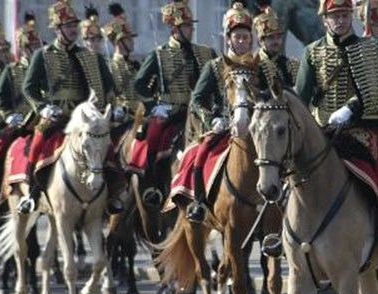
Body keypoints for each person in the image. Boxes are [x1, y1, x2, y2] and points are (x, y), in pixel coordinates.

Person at [294, 0, 378, 259]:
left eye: (344, 15)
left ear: (351, 16)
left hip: (360, 128)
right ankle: (284, 229)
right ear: (324, 20)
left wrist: (354, 108)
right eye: (334, 16)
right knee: (293, 171)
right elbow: (301, 98)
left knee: (377, 166)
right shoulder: (312, 52)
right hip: (323, 131)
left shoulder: (376, 48)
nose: (340, 20)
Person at [18, 0, 120, 215]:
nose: (74, 29)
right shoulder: (42, 55)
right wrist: (42, 108)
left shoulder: (91, 56)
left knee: (107, 148)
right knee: (37, 143)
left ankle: (113, 194)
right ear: (57, 30)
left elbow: (110, 88)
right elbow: (29, 88)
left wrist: (113, 107)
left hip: (85, 118)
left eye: (74, 25)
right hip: (56, 115)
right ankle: (32, 194)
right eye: (68, 26)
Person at [185, 2, 278, 223]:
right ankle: (199, 201)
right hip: (223, 126)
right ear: (228, 39)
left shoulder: (261, 66)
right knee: (200, 154)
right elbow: (197, 99)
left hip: (256, 127)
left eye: (246, 37)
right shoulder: (215, 66)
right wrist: (212, 119)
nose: (242, 41)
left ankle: (279, 200)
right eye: (237, 37)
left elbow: (272, 95)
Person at [130, 0, 216, 207]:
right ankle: (153, 186)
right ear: (174, 29)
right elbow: (140, 84)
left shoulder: (206, 53)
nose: (191, 29)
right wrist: (153, 106)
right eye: (187, 26)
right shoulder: (158, 54)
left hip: (198, 111)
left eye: (191, 25)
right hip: (170, 111)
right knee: (154, 137)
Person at [0, 13, 42, 207]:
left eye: (38, 45)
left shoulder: (45, 68)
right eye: (32, 46)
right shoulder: (12, 70)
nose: (36, 49)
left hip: (44, 119)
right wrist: (9, 116)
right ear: (23, 48)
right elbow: (1, 100)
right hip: (20, 122)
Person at [103, 2, 141, 137]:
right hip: (120, 118)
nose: (133, 41)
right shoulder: (110, 66)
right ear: (119, 42)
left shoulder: (135, 64)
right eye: (129, 39)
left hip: (140, 115)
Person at [254, 3, 300, 87]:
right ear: (261, 41)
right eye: (271, 38)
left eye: (278, 38)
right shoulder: (254, 65)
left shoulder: (288, 65)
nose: (276, 41)